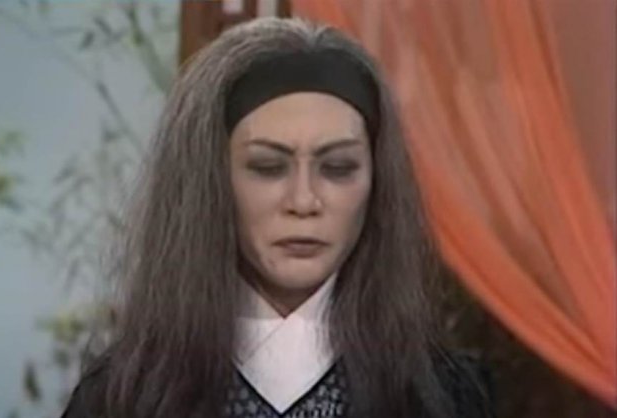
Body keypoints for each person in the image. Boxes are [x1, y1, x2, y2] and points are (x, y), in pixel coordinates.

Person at [61, 17, 493, 418]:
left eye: (338, 168)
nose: (303, 201)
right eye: (268, 168)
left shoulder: (441, 397)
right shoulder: (122, 397)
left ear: (377, 184)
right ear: (210, 183)